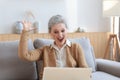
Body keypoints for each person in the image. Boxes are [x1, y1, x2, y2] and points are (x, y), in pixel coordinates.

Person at [18, 15, 88, 79]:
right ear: (50, 34)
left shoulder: (76, 47)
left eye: (63, 31)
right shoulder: (45, 50)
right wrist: (25, 32)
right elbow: (25, 55)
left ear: (67, 30)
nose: (60, 35)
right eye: (56, 32)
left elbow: (85, 70)